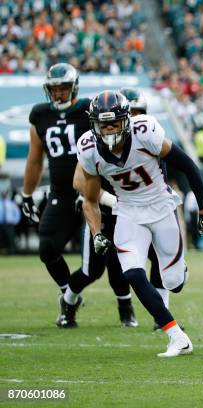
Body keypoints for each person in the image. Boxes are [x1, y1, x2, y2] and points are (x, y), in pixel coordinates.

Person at [77, 90, 203, 357]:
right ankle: (176, 336)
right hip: (128, 211)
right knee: (132, 273)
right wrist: (97, 233)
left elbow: (188, 166)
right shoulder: (88, 149)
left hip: (162, 207)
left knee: (173, 282)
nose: (108, 129)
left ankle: (178, 271)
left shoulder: (145, 132)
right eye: (102, 123)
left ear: (126, 121)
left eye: (114, 123)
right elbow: (90, 200)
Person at [21, 63, 136, 328]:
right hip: (61, 193)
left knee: (105, 262)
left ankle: (125, 306)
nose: (59, 93)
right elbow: (35, 159)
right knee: (47, 247)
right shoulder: (39, 114)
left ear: (74, 88)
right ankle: (67, 295)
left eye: (63, 88)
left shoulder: (88, 111)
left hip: (95, 193)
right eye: (54, 89)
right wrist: (27, 194)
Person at [119, 87, 172, 330]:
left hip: (154, 206)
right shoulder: (99, 144)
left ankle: (161, 312)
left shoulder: (149, 135)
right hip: (121, 208)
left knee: (161, 259)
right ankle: (125, 306)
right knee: (118, 266)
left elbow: (170, 166)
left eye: (137, 113)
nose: (133, 120)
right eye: (127, 114)